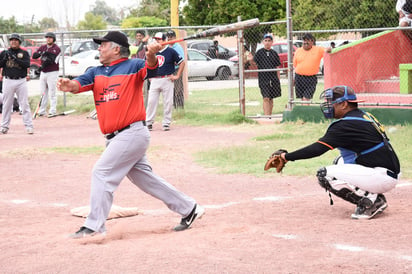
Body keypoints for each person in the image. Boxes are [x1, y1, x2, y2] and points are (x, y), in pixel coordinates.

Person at [57, 31, 204, 239]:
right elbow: (77, 85)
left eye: (103, 45)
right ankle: (190, 208)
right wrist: (67, 85)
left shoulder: (134, 66)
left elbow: (151, 67)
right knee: (145, 180)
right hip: (115, 138)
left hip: (132, 133)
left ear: (117, 49)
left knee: (101, 172)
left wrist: (151, 54)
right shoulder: (96, 72)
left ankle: (94, 226)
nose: (99, 48)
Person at [275, 85, 400, 220]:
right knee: (338, 162)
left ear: (344, 104)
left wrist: (286, 157)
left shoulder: (345, 125)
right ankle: (373, 195)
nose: (328, 106)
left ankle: (371, 202)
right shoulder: (363, 115)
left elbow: (317, 149)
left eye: (331, 103)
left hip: (381, 176)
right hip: (386, 169)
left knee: (325, 175)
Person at [145, 32, 185, 131]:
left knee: (168, 102)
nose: (157, 41)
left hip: (167, 79)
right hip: (154, 79)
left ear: (165, 40)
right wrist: (149, 75)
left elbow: (182, 62)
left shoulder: (171, 51)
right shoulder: (153, 51)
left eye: (159, 39)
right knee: (151, 102)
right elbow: (145, 64)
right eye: (156, 39)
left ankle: (166, 123)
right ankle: (149, 122)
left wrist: (177, 75)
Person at [0, 33, 33, 134]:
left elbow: (27, 64)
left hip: (21, 81)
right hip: (8, 80)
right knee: (6, 105)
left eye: (16, 40)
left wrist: (15, 58)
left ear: (19, 42)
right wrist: (5, 58)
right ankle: (4, 126)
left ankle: (29, 126)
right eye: (12, 40)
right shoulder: (5, 52)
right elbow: (0, 64)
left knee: (24, 104)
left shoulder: (24, 53)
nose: (13, 41)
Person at [293, 33, 330, 101]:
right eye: (304, 40)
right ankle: (305, 111)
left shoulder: (318, 50)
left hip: (311, 78)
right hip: (299, 77)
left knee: (306, 98)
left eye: (307, 40)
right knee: (302, 99)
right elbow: (295, 65)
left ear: (312, 41)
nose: (305, 42)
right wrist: (293, 78)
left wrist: (328, 49)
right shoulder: (298, 51)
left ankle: (306, 110)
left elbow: (327, 50)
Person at [32, 32, 61, 117]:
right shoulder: (43, 47)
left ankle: (52, 110)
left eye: (50, 37)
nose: (48, 39)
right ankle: (42, 110)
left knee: (52, 92)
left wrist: (40, 67)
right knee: (43, 92)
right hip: (43, 73)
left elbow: (50, 60)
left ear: (53, 39)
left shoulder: (56, 48)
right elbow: (34, 56)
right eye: (47, 37)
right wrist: (41, 53)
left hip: (52, 72)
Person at [253, 34, 281, 116]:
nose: (267, 42)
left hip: (273, 78)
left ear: (272, 42)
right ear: (263, 42)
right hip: (263, 78)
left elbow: (277, 67)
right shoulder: (259, 53)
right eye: (266, 41)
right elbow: (255, 64)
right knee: (265, 98)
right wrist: (251, 60)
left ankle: (269, 115)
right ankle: (266, 116)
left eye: (269, 41)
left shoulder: (274, 53)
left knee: (271, 98)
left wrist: (278, 79)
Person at [166, 30, 185, 109]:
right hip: (169, 70)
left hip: (177, 70)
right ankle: (173, 106)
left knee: (178, 88)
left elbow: (181, 61)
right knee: (170, 89)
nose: (170, 39)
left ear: (175, 37)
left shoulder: (177, 47)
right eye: (168, 37)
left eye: (171, 37)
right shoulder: (167, 46)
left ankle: (180, 106)